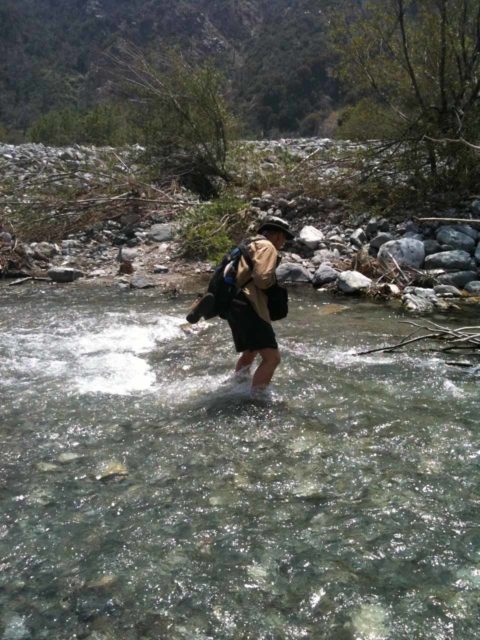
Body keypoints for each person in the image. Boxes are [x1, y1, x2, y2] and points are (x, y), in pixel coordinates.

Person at [225, 216, 294, 395]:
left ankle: (237, 384)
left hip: (234, 304)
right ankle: (256, 400)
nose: (283, 243)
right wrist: (275, 291)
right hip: (250, 306)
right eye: (284, 239)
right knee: (272, 358)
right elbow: (263, 279)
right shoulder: (268, 246)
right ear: (278, 236)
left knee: (251, 351)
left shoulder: (249, 244)